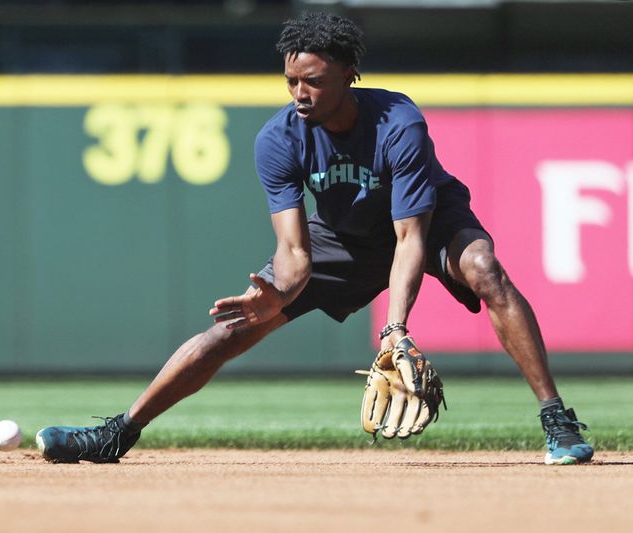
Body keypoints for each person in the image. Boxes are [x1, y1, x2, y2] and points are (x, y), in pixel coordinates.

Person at [36, 12, 593, 466]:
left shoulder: (398, 123)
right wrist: (275, 296)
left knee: (485, 270)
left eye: (314, 80)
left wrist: (395, 329)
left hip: (424, 221)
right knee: (229, 331)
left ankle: (557, 420)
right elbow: (297, 252)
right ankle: (118, 433)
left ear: (349, 74)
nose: (300, 93)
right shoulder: (278, 139)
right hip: (340, 238)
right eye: (291, 81)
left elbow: (410, 239)